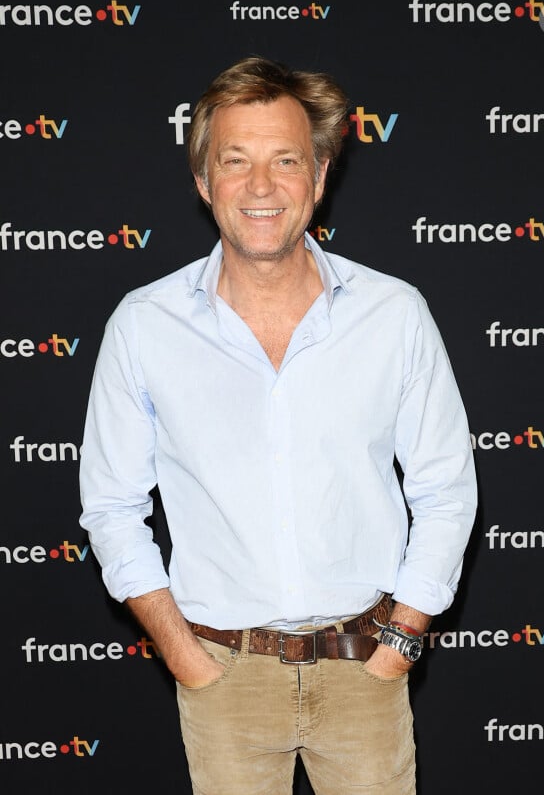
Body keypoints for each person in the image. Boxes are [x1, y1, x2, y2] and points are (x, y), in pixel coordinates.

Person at [79, 56, 477, 795]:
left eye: (285, 161)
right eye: (236, 161)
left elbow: (446, 490)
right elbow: (110, 507)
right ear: (204, 182)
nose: (260, 187)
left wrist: (398, 643)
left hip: (368, 667)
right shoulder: (144, 325)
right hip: (223, 678)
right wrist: (186, 656)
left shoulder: (393, 314)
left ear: (318, 178)